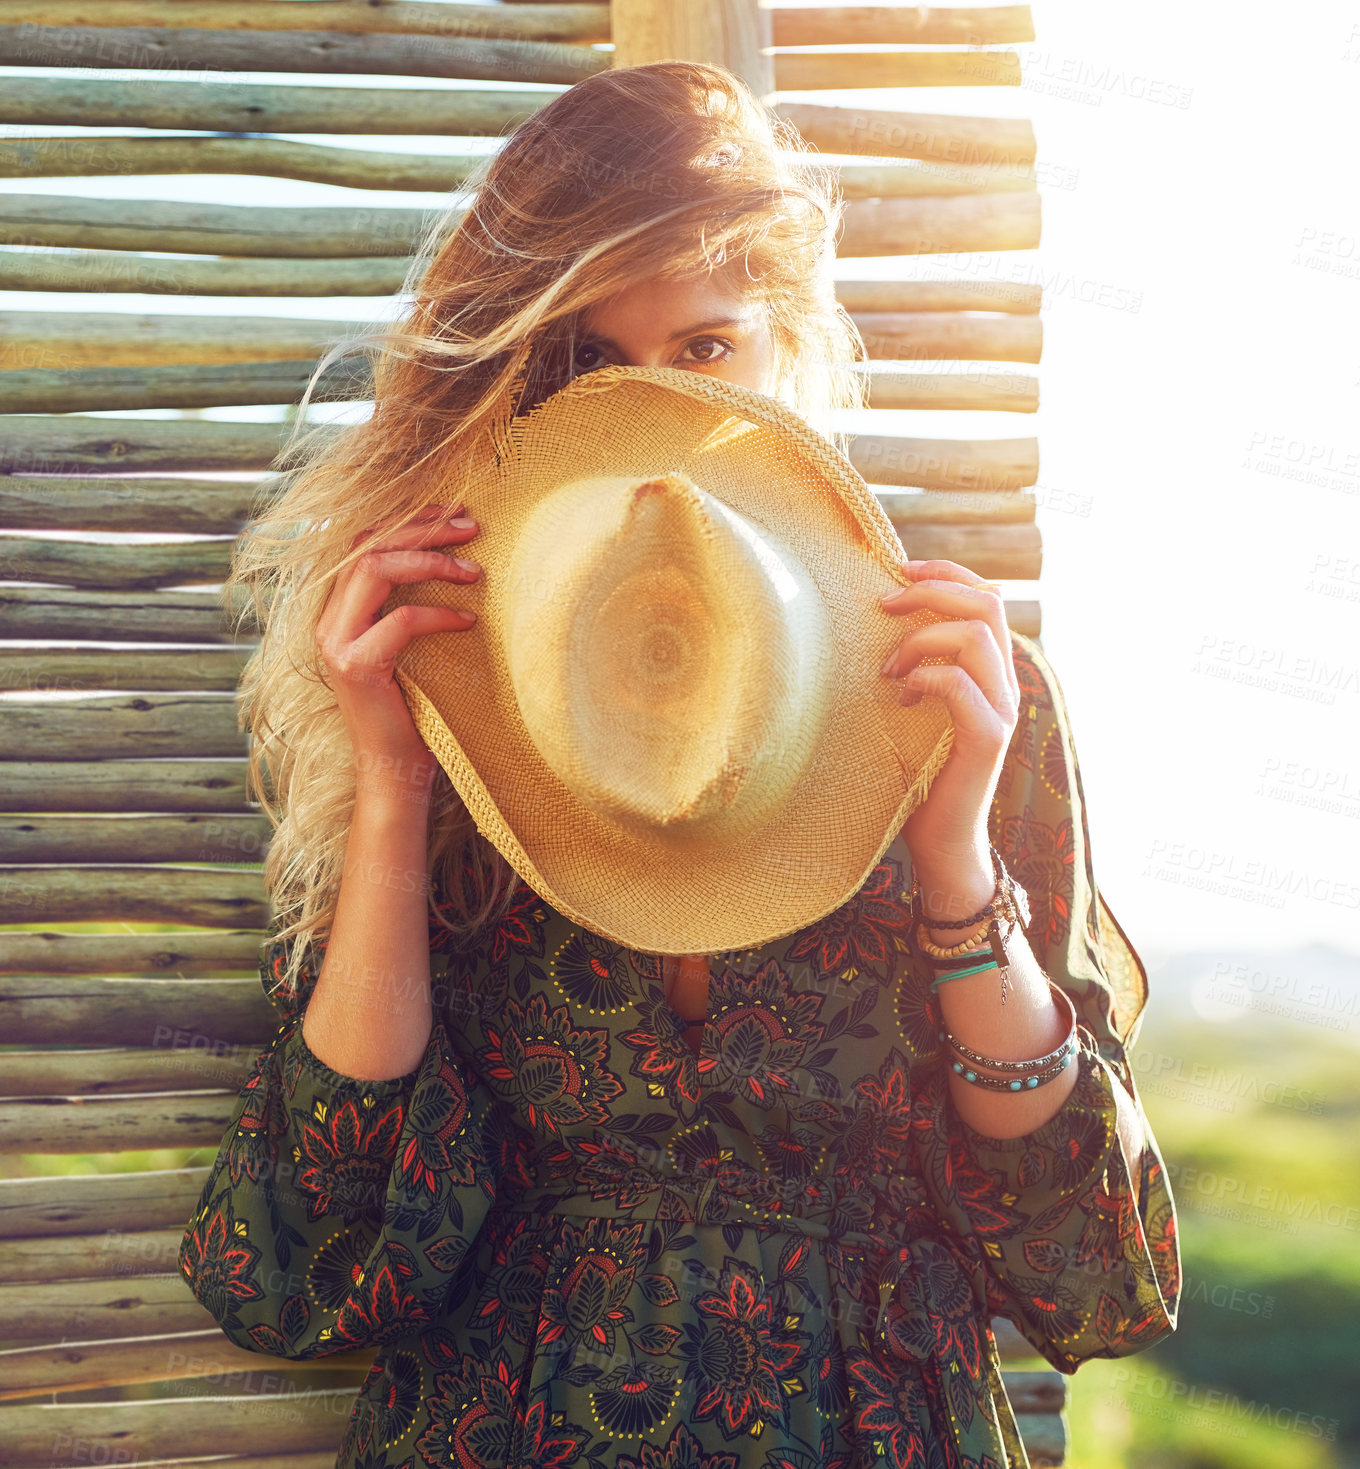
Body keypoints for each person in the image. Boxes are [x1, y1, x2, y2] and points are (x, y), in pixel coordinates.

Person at [179, 60, 1180, 1469]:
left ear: (793, 344)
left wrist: (954, 857)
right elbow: (315, 1250)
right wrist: (399, 782)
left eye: (706, 347)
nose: (649, 412)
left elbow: (1088, 1259)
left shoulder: (959, 696)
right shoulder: (446, 693)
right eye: (591, 365)